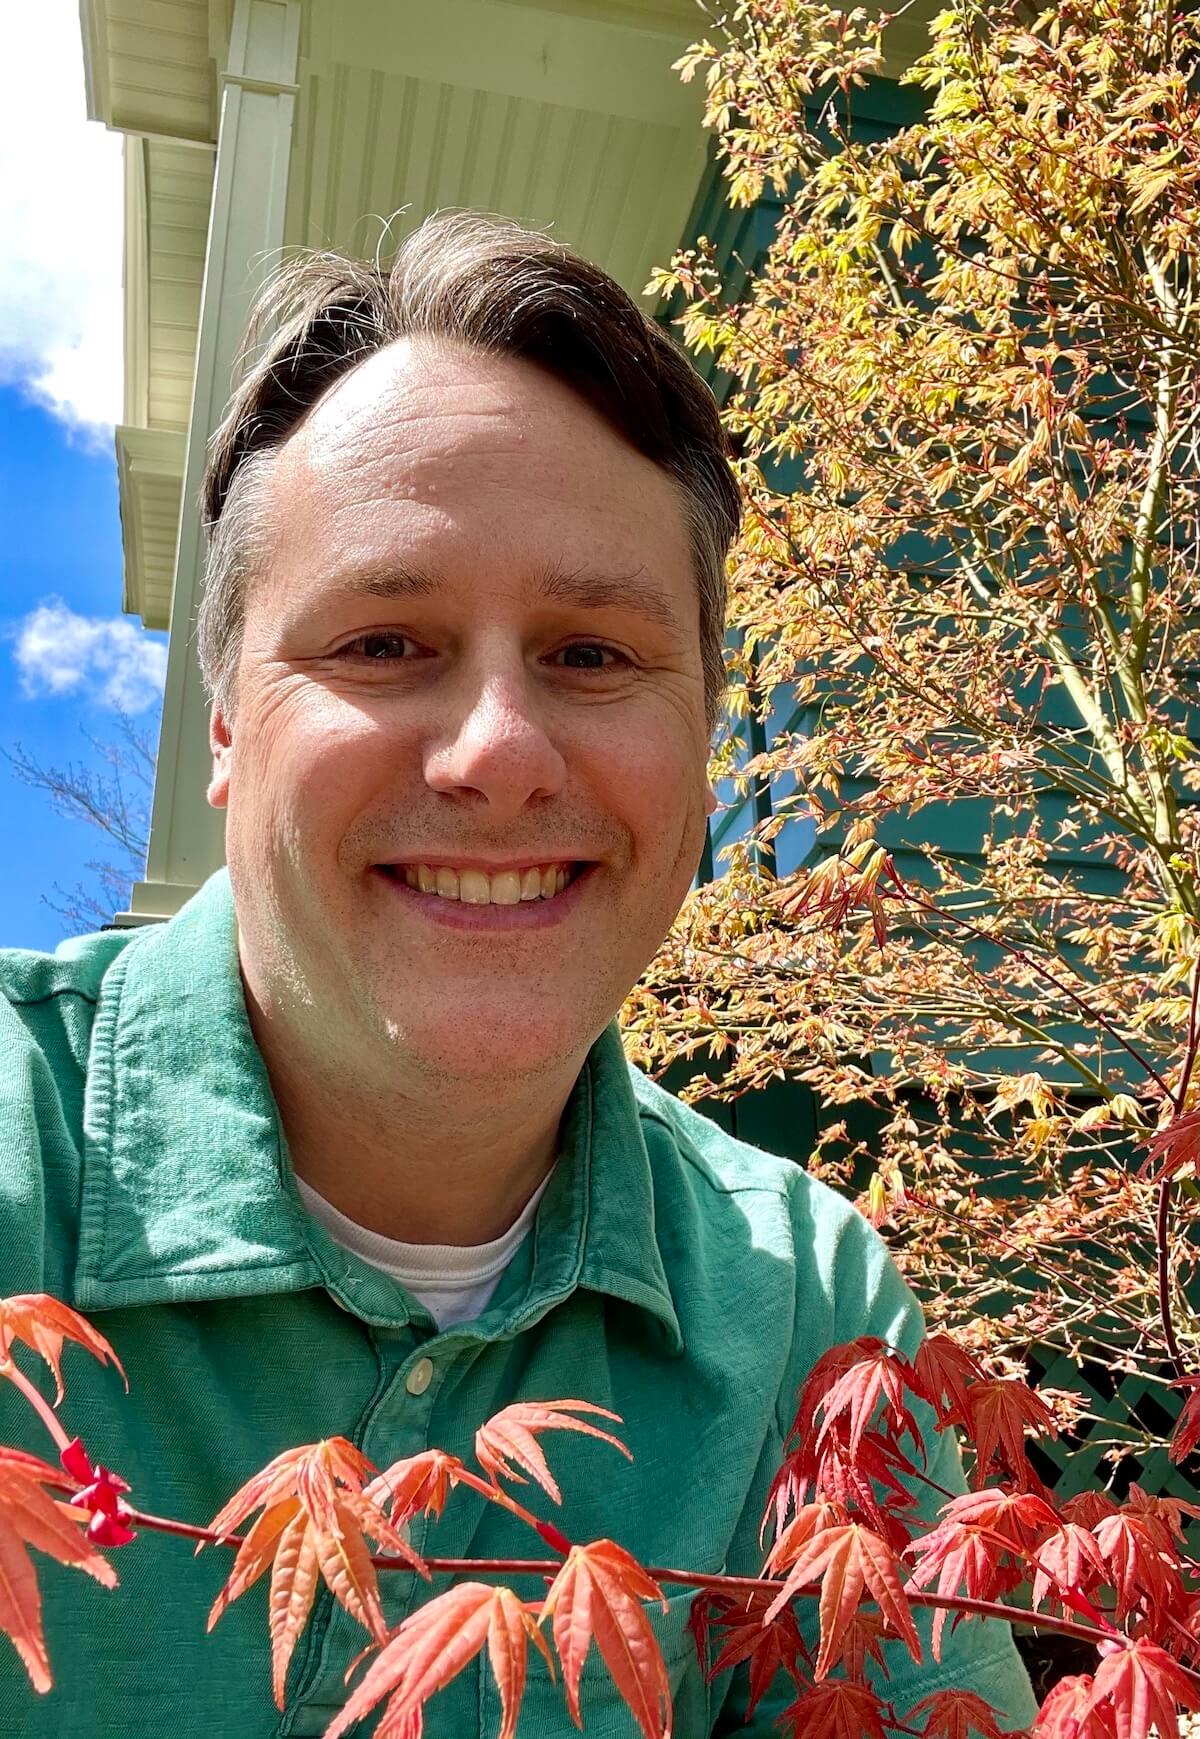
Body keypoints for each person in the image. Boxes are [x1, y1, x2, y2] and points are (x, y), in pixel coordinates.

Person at [0, 211, 1036, 1735]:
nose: (498, 753)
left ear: (696, 748)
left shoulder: (804, 1302)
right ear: (223, 727)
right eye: (383, 644)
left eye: (594, 655)